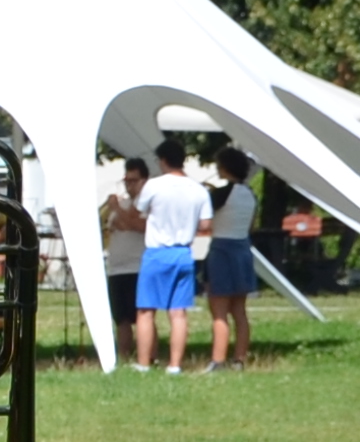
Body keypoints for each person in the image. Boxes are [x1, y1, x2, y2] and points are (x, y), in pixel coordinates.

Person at [134, 147, 210, 374]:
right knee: (178, 312)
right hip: (184, 253)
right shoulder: (199, 190)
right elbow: (206, 225)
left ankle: (144, 362)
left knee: (146, 310)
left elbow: (140, 211)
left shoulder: (154, 186)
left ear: (163, 160)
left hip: (157, 252)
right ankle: (175, 364)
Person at [203, 151, 265, 369]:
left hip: (222, 249)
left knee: (219, 310)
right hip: (243, 248)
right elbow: (250, 225)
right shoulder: (250, 194)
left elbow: (205, 218)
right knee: (239, 310)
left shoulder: (220, 194)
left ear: (225, 168)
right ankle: (239, 358)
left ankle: (218, 359)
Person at [94, 159, 147, 339]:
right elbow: (115, 224)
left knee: (143, 317)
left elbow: (138, 225)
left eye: (133, 181)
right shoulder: (122, 204)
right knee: (121, 319)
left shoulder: (147, 202)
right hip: (116, 268)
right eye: (126, 181)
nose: (129, 185)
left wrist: (118, 211)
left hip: (138, 267)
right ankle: (124, 356)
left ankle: (147, 356)